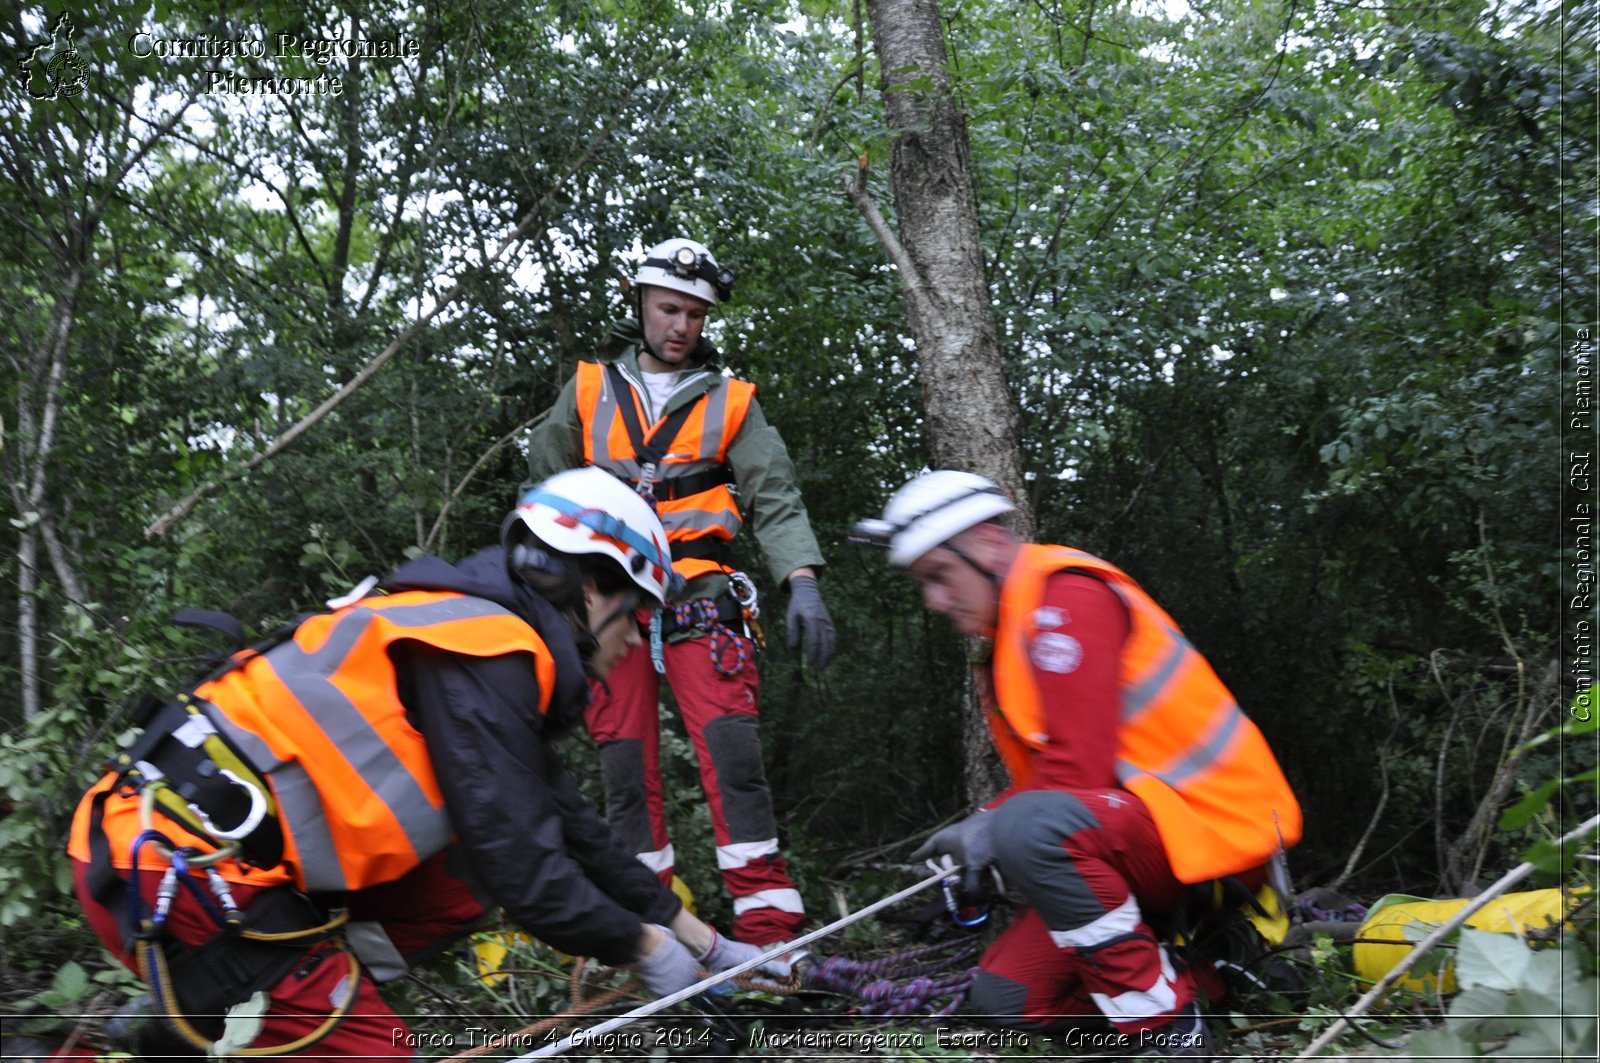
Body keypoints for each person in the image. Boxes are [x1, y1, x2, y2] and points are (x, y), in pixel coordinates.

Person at [67, 468, 789, 1058]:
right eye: (637, 612)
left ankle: (226, 1007)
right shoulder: (485, 649)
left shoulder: (480, 637)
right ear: (593, 586)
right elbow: (529, 876)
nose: (638, 640)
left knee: (460, 881)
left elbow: (567, 826)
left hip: (173, 858)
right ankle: (249, 998)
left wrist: (698, 936)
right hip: (181, 871)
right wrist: (643, 947)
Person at [852, 470, 1302, 1057]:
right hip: (1141, 840)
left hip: (1215, 835)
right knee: (1006, 1003)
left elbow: (1078, 771)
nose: (934, 601)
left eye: (940, 575)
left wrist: (991, 824)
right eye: (924, 584)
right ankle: (1220, 974)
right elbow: (1057, 783)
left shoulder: (1066, 595)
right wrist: (982, 842)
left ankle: (1167, 1030)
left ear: (988, 541)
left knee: (1027, 827)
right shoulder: (1009, 633)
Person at [525, 236, 834, 947]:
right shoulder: (586, 390)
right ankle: (651, 928)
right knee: (623, 766)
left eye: (695, 314)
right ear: (641, 305)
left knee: (734, 757)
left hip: (701, 590)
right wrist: (544, 590)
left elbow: (775, 498)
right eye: (669, 308)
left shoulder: (733, 402)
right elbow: (542, 490)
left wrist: (803, 581)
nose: (681, 326)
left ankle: (769, 927)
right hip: (604, 597)